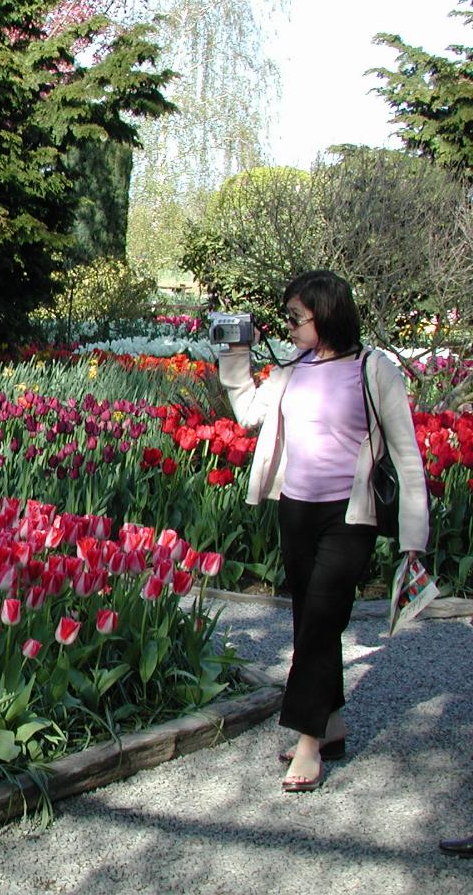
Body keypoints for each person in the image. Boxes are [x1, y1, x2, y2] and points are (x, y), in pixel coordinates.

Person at [217, 270, 428, 793]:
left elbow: (407, 457)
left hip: (348, 517)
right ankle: (330, 724)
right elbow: (246, 412)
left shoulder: (372, 370)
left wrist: (413, 541)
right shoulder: (293, 369)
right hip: (296, 510)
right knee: (310, 619)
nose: (288, 327)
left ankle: (308, 743)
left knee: (322, 618)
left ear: (327, 314)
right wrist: (234, 356)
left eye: (296, 318)